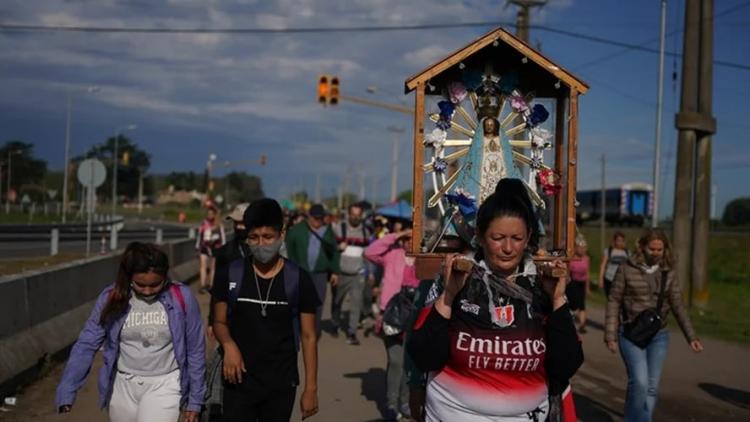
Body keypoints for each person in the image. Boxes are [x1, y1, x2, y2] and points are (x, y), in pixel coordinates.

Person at [407, 179, 582, 421]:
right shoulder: (459, 276)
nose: (508, 248)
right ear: (479, 235)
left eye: (517, 238)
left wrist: (558, 299)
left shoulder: (541, 285)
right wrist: (448, 296)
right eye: (498, 237)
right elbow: (424, 355)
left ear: (529, 235)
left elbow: (566, 365)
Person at [55, 242, 205, 422]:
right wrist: (67, 389)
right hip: (122, 386)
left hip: (166, 384)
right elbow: (86, 343)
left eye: (156, 284)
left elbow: (196, 349)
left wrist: (195, 400)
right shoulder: (111, 298)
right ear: (128, 277)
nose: (148, 291)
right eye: (140, 285)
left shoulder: (182, 297)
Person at [211, 198, 320, 422]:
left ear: (282, 234)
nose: (261, 244)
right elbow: (219, 322)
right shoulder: (231, 274)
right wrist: (229, 345)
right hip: (237, 382)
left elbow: (309, 337)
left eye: (268, 237)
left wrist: (310, 389)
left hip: (281, 384)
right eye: (254, 237)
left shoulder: (298, 279)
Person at [605, 228, 704, 422]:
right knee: (640, 382)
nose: (656, 253)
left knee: (650, 386)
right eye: (652, 249)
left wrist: (691, 337)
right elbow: (614, 300)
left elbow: (678, 305)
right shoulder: (626, 268)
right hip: (630, 333)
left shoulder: (669, 271)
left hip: (659, 336)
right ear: (642, 247)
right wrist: (610, 335)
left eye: (660, 249)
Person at [364, 225, 421, 420]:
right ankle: (390, 404)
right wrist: (396, 235)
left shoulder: (424, 260)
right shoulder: (393, 254)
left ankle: (405, 402)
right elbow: (370, 252)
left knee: (409, 363)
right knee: (396, 361)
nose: (409, 242)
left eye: (413, 238)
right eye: (407, 238)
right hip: (392, 316)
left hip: (415, 318)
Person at [204, 203, 250, 421]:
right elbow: (217, 291)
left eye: (244, 222)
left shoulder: (264, 252)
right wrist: (212, 321)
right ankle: (219, 406)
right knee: (220, 366)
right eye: (237, 222)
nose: (240, 226)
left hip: (251, 321)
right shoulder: (224, 253)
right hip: (225, 320)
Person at [285, 203, 340, 337]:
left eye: (320, 218)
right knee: (298, 302)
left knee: (318, 303)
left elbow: (333, 252)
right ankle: (297, 330)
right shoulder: (296, 230)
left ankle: (314, 332)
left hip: (320, 274)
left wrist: (335, 272)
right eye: (315, 218)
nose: (317, 221)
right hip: (301, 272)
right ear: (308, 217)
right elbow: (290, 249)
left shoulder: (327, 231)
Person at [331, 202, 372, 345]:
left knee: (356, 303)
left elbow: (368, 254)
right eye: (353, 215)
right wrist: (338, 247)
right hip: (341, 273)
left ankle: (351, 332)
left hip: (358, 274)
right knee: (337, 301)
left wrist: (370, 272)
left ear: (361, 216)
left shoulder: (366, 231)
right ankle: (335, 324)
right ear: (348, 214)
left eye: (358, 215)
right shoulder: (338, 228)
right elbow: (330, 249)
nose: (355, 218)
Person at [197, 205, 226, 293]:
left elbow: (223, 238)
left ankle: (211, 285)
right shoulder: (204, 223)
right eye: (208, 213)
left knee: (213, 267)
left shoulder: (219, 224)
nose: (210, 215)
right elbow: (199, 236)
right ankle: (203, 285)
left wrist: (223, 248)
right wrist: (197, 247)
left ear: (214, 214)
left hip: (215, 248)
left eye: (211, 213)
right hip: (204, 247)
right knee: (203, 266)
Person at [567, 235, 590, 334]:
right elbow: (567, 272)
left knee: (582, 304)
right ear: (576, 248)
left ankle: (582, 325)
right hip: (572, 283)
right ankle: (570, 320)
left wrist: (588, 288)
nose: (583, 250)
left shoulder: (586, 259)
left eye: (584, 248)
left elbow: (587, 273)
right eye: (581, 248)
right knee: (573, 304)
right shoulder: (571, 258)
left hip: (582, 283)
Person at [598, 231, 628, 298]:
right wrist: (600, 279)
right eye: (618, 240)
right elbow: (603, 265)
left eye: (621, 241)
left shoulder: (627, 252)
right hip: (609, 278)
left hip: (621, 280)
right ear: (614, 241)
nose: (619, 242)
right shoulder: (608, 251)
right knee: (610, 298)